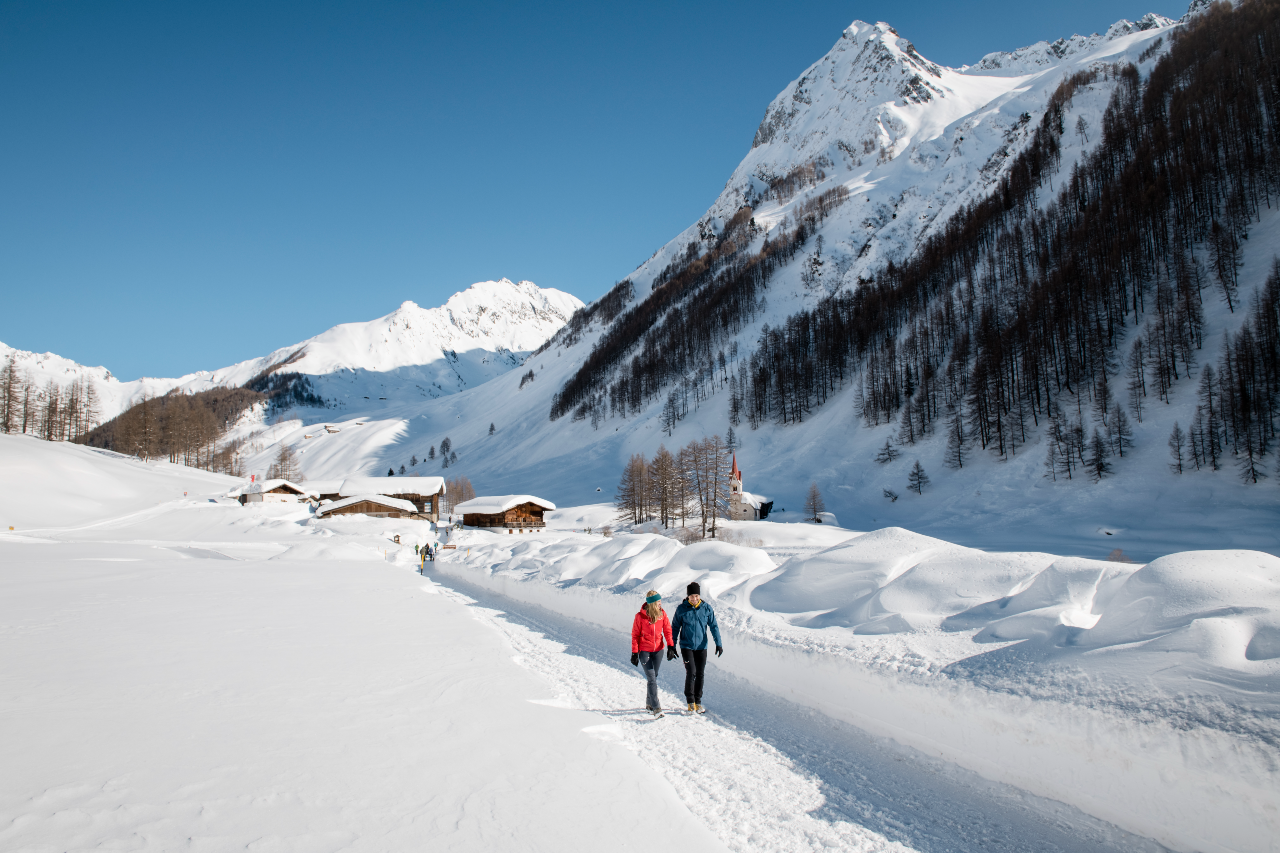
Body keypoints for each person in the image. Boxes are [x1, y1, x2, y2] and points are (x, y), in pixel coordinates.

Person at [671, 581, 722, 714]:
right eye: (692, 596)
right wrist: (672, 645)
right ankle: (690, 701)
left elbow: (714, 626)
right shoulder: (682, 609)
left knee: (700, 674)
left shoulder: (706, 608)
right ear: (688, 596)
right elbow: (675, 627)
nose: (694, 599)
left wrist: (718, 643)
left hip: (701, 646)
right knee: (691, 672)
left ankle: (698, 701)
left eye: (696, 596)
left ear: (699, 596)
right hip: (686, 646)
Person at [630, 589, 674, 717]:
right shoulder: (640, 616)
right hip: (645, 651)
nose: (660, 603)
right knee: (652, 679)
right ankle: (656, 708)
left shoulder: (662, 614)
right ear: (652, 603)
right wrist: (634, 653)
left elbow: (667, 630)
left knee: (654, 678)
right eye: (658, 601)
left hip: (658, 651)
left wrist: (671, 646)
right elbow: (635, 635)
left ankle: (649, 704)